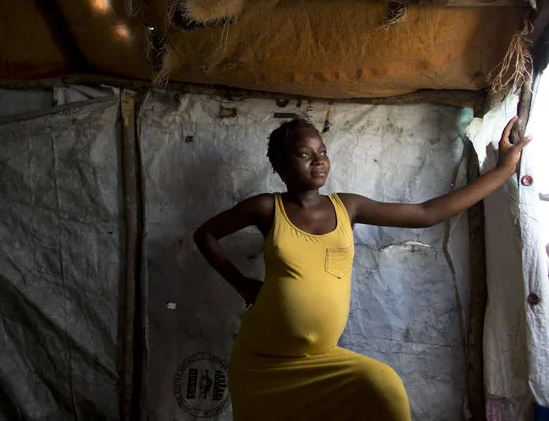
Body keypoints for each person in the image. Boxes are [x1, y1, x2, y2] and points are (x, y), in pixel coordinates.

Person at [193, 116, 531, 421]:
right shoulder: (267, 207)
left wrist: (501, 171)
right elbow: (205, 234)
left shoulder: (347, 207)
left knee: (383, 387)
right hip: (263, 362)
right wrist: (241, 283)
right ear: (279, 166)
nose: (319, 159)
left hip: (321, 361)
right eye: (304, 154)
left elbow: (425, 213)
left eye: (322, 151)